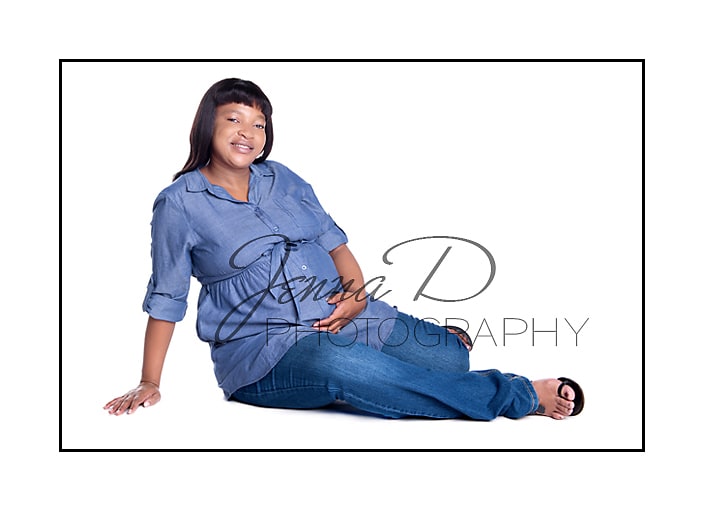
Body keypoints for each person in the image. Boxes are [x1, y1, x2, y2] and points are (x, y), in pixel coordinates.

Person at [104, 78, 584, 421]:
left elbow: (335, 244)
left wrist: (356, 296)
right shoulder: (179, 203)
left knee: (451, 359)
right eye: (234, 119)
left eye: (259, 124)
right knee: (340, 363)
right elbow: (167, 298)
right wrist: (150, 380)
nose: (247, 132)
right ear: (207, 124)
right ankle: (517, 395)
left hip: (344, 315)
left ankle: (402, 361)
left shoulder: (283, 178)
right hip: (263, 351)